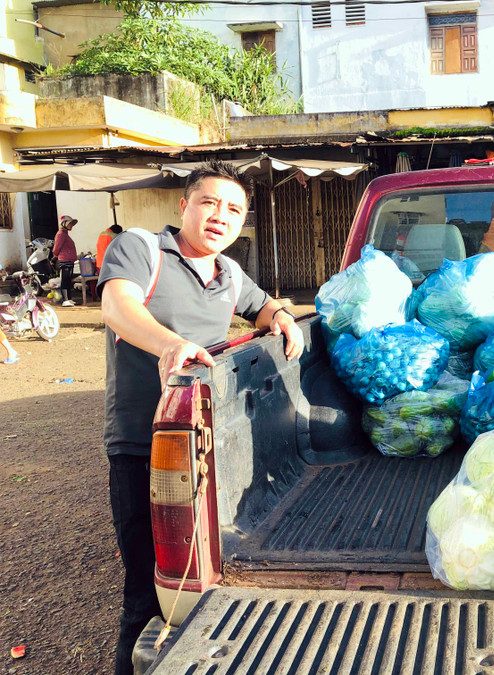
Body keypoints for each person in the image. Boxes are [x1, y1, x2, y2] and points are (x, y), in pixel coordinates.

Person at [99, 159, 304, 675]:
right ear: (184, 205)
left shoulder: (230, 274)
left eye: (234, 209)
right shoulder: (143, 249)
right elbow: (117, 306)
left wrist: (280, 316)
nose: (220, 216)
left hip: (210, 452)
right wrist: (170, 345)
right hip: (145, 449)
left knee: (201, 586)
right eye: (209, 202)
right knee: (148, 599)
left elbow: (263, 306)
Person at [53, 215, 78, 306]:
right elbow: (56, 248)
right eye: (69, 223)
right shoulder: (61, 234)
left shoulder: (65, 234)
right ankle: (65, 300)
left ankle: (69, 299)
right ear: (64, 224)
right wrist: (55, 256)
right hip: (64, 260)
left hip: (69, 261)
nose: (71, 225)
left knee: (68, 281)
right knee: (65, 280)